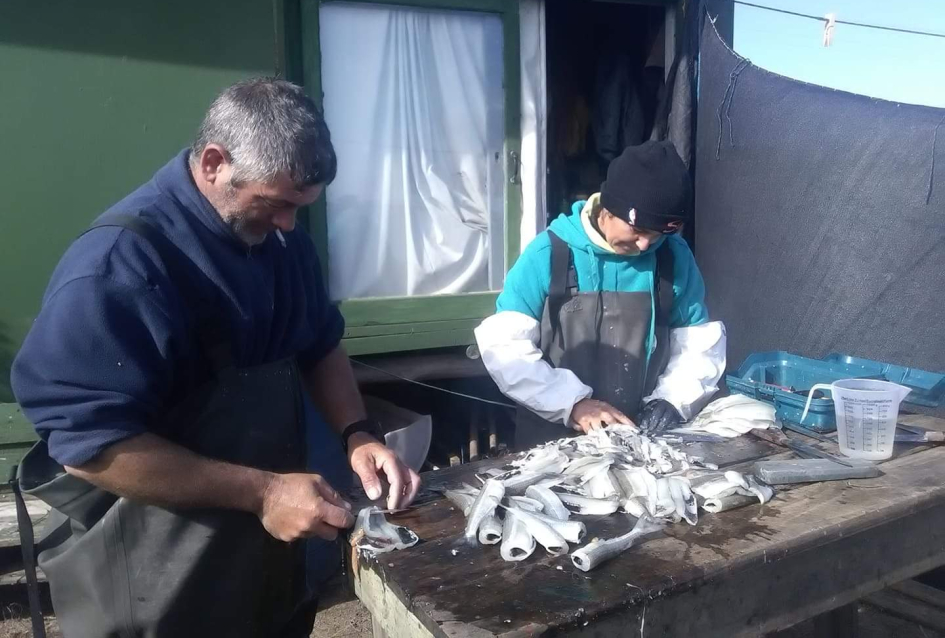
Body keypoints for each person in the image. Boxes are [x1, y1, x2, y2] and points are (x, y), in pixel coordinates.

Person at [11, 78, 420, 637]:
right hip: (156, 579)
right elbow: (88, 446)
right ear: (212, 163)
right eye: (275, 205)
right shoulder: (119, 267)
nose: (288, 226)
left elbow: (319, 341)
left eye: (301, 209)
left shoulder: (281, 239)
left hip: (265, 566)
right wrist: (264, 492)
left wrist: (358, 432)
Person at [475, 141, 726, 448]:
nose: (646, 245)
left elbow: (698, 345)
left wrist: (673, 400)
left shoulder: (673, 258)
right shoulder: (548, 254)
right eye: (639, 230)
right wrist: (573, 404)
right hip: (551, 447)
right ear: (609, 208)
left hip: (638, 442)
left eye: (657, 234)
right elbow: (505, 350)